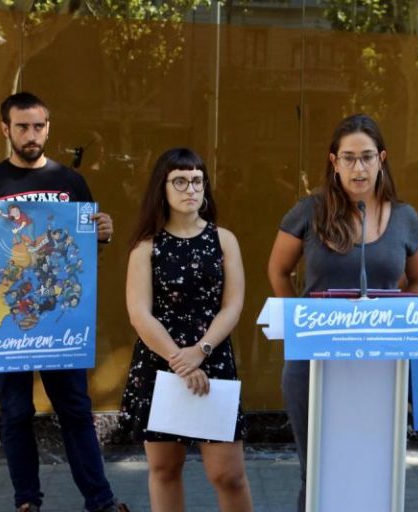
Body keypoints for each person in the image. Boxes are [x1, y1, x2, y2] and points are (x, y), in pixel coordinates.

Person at [0, 92, 126, 512]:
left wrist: (103, 232)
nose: (32, 135)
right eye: (23, 126)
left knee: (76, 412)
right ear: (5, 129)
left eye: (39, 126)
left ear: (49, 127)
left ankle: (100, 501)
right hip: (9, 323)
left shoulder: (71, 182)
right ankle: (26, 501)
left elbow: (86, 253)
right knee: (14, 413)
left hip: (60, 321)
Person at [267, 114, 418, 510]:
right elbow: (278, 270)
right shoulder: (308, 211)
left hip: (380, 364)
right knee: (319, 468)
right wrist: (301, 322)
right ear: (333, 162)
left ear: (382, 159)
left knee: (374, 466)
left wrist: (392, 319)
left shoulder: (405, 218)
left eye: (367, 157)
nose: (359, 168)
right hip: (314, 361)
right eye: (349, 158)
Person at [119, 148, 252, 512]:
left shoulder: (224, 240)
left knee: (228, 474)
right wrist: (181, 362)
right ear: (161, 188)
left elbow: (233, 305)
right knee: (164, 469)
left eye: (196, 181)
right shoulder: (145, 248)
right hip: (159, 364)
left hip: (213, 360)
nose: (190, 189)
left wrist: (200, 352)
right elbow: (139, 314)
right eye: (179, 180)